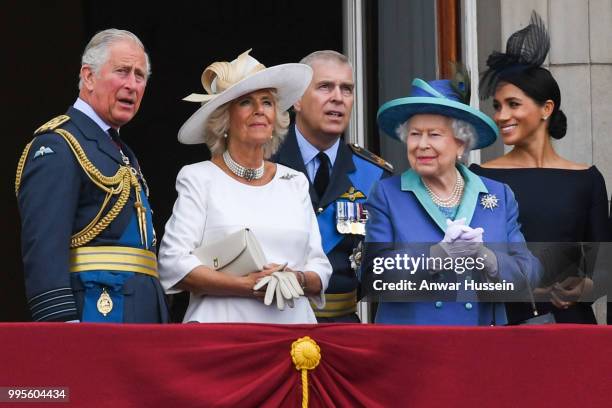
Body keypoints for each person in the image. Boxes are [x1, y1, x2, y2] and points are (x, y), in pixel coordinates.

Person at [158, 50, 332, 323]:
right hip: (223, 332)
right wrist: (247, 285)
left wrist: (296, 278)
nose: (259, 110)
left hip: (293, 334)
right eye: (246, 103)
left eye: (267, 102)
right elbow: (173, 263)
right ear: (224, 120)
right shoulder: (198, 178)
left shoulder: (295, 182)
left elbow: (320, 268)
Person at [15, 29, 168, 323]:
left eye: (140, 76)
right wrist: (61, 324)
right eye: (122, 71)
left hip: (141, 313)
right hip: (96, 311)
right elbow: (43, 245)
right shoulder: (58, 144)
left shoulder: (119, 148)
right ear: (88, 77)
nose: (132, 85)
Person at [365, 75, 541, 325]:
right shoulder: (387, 195)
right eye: (415, 134)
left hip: (479, 345)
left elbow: (530, 274)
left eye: (434, 134)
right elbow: (373, 274)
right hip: (410, 345)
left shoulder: (498, 195)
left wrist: (488, 259)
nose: (422, 145)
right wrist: (437, 255)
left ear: (461, 144)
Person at [471, 12, 610, 324]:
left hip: (572, 328)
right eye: (497, 106)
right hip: (505, 327)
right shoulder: (481, 176)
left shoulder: (586, 179)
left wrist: (585, 287)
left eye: (513, 104)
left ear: (546, 109)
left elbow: (604, 267)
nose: (501, 115)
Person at [273, 50, 393, 322]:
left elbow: (379, 266)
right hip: (272, 321)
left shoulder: (374, 175)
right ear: (297, 101)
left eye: (347, 89)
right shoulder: (264, 162)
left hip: (340, 326)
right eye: (325, 87)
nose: (338, 97)